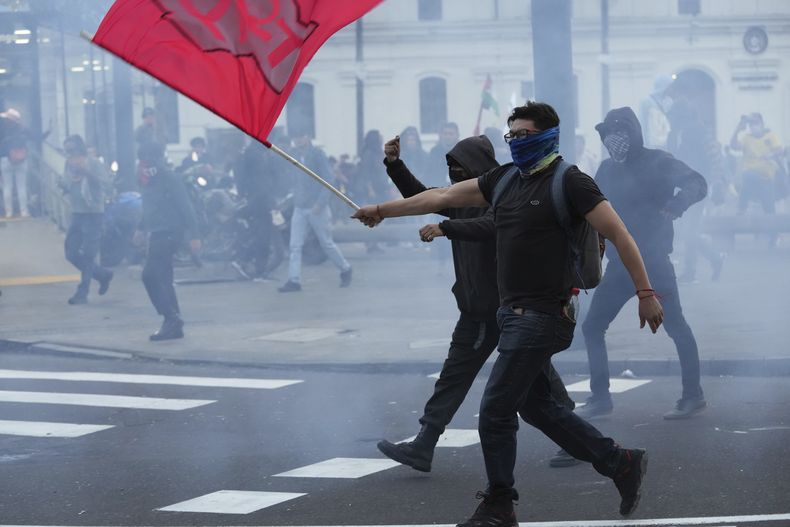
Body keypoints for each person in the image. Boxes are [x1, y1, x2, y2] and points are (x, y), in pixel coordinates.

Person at [353, 102, 664, 525]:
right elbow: (440, 196)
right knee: (536, 408)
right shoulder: (503, 180)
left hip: (545, 315)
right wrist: (380, 210)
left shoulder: (571, 182)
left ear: (547, 136)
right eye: (511, 136)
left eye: (524, 134)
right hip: (509, 315)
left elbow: (620, 234)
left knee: (496, 408)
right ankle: (619, 462)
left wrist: (645, 291)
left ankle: (499, 505)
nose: (516, 142)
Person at [376, 133, 580, 473]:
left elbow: (492, 225)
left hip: (504, 307)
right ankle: (424, 443)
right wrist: (395, 165)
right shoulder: (459, 198)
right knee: (472, 374)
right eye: (452, 169)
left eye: (460, 168)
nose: (456, 175)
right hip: (478, 307)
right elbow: (421, 196)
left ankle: (572, 436)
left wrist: (447, 228)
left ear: (476, 166)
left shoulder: (504, 193)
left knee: (524, 374)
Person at [580, 106, 707, 420]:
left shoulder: (658, 161)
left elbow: (698, 183)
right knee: (592, 326)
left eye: (619, 135)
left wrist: (677, 204)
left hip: (654, 264)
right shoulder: (607, 169)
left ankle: (693, 396)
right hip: (619, 265)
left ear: (633, 133)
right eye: (608, 136)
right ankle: (600, 398)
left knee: (675, 326)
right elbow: (592, 205)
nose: (614, 142)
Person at [136, 142, 201, 341]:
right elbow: (149, 207)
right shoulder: (146, 180)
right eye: (143, 159)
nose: (145, 164)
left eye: (149, 158)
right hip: (157, 232)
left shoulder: (170, 178)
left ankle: (171, 318)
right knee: (164, 279)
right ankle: (174, 324)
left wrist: (195, 235)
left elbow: (186, 207)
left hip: (170, 232)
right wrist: (140, 228)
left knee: (149, 275)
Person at [278, 130, 352, 292]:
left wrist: (321, 202)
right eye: (295, 137)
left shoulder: (318, 154)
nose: (297, 140)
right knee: (295, 245)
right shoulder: (294, 154)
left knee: (326, 243)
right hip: (300, 205)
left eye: (300, 136)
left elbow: (328, 179)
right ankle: (294, 280)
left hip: (316, 207)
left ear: (307, 137)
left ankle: (345, 268)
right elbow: (292, 177)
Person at [59, 134, 114, 305]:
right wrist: (63, 185)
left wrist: (86, 173)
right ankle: (102, 275)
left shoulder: (93, 163)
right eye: (66, 151)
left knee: (89, 254)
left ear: (80, 148)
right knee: (71, 252)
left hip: (93, 212)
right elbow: (68, 182)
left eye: (72, 150)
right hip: (77, 212)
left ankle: (82, 291)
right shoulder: (68, 164)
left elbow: (106, 184)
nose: (69, 154)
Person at [730, 113, 784, 224]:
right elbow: (733, 146)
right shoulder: (746, 138)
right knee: (747, 176)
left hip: (766, 178)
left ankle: (773, 237)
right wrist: (737, 129)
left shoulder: (770, 136)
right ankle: (742, 209)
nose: (753, 126)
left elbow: (780, 150)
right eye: (751, 124)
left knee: (769, 211)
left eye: (756, 123)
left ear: (762, 124)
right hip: (750, 178)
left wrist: (770, 155)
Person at [1, 109, 31, 217]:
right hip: (21, 159)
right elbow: (35, 136)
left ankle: (9, 212)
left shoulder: (3, 129)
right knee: (21, 186)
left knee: (7, 187)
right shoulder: (23, 129)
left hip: (5, 159)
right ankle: (24, 211)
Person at [426, 122, 460, 187]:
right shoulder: (434, 152)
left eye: (451, 134)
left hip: (458, 187)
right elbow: (430, 172)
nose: (448, 136)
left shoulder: (462, 150)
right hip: (438, 187)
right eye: (445, 133)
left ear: (457, 135)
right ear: (441, 135)